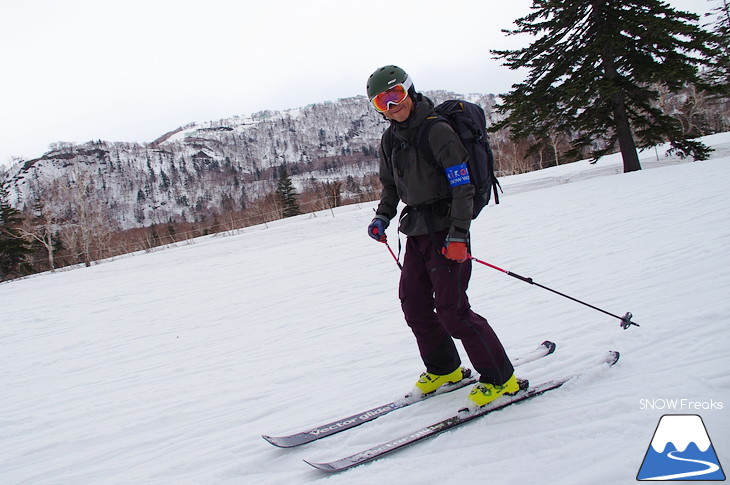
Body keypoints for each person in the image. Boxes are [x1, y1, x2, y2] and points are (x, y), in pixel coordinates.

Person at [365, 65, 520, 408]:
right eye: (381, 101)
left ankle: (501, 378)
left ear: (410, 90)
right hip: (416, 231)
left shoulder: (437, 130)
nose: (391, 106)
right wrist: (382, 216)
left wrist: (459, 235)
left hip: (447, 229)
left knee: (453, 311)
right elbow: (391, 187)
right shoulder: (390, 139)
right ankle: (445, 369)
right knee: (415, 305)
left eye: (395, 96)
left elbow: (462, 185)